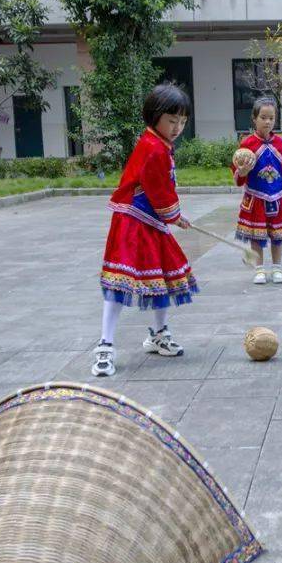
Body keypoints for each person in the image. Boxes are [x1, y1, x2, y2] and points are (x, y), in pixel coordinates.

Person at [93, 83, 197, 377]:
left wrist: (172, 216)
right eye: (171, 120)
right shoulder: (153, 148)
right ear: (155, 117)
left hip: (151, 222)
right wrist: (175, 216)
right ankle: (105, 345)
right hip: (133, 224)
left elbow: (162, 190)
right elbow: (158, 189)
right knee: (119, 283)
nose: (177, 127)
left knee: (161, 278)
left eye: (182, 122)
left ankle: (158, 334)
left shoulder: (158, 144)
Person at [234, 96, 282, 285]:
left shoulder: (279, 144)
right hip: (256, 197)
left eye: (271, 117)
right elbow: (238, 175)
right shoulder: (247, 145)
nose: (268, 121)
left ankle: (277, 268)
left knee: (278, 236)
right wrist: (242, 171)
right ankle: (259, 269)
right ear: (254, 119)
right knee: (257, 236)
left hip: (278, 196)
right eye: (263, 117)